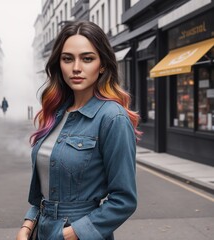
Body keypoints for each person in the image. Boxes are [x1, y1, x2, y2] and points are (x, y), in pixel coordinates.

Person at [16, 21, 141, 240]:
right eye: (67, 59)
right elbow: (45, 189)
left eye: (87, 58)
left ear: (102, 64)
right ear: (59, 64)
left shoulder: (112, 117)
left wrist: (69, 234)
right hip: (41, 231)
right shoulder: (55, 113)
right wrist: (28, 225)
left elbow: (124, 200)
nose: (76, 67)